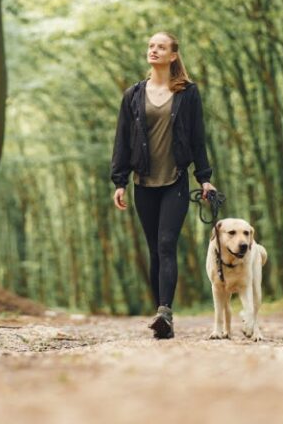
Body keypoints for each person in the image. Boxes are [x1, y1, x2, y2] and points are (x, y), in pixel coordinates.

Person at [110, 31, 215, 339]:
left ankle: (165, 312)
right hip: (143, 181)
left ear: (173, 56)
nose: (154, 50)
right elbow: (122, 140)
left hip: (176, 180)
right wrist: (120, 181)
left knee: (167, 244)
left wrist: (204, 178)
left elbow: (198, 138)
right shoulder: (133, 94)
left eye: (161, 47)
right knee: (155, 250)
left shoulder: (187, 93)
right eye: (151, 46)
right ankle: (161, 317)